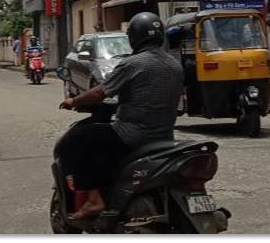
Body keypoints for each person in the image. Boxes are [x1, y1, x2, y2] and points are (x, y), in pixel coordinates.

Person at [56, 12, 183, 220]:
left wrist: (74, 101)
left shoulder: (133, 63)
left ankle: (95, 198)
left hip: (131, 134)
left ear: (133, 37)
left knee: (74, 139)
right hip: (164, 137)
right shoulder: (174, 65)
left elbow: (99, 93)